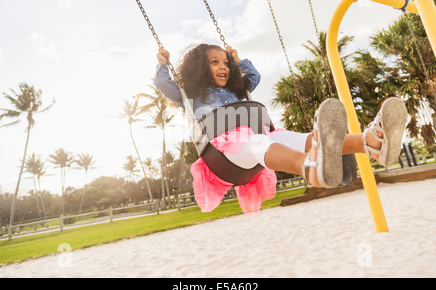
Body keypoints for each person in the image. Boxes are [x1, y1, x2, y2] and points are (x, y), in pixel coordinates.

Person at [154, 44, 408, 214]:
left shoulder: (235, 89)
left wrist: (238, 60)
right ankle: (310, 168)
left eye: (225, 63)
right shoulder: (191, 95)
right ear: (199, 68)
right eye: (214, 62)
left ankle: (369, 142)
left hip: (259, 135)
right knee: (258, 143)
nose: (223, 67)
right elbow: (163, 84)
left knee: (297, 139)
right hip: (225, 151)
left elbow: (253, 77)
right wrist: (162, 64)